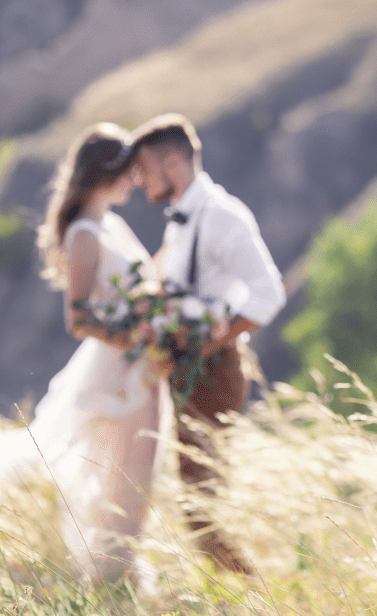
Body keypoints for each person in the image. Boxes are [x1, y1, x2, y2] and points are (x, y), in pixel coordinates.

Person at [0, 123, 169, 588]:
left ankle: (116, 576)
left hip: (142, 361)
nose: (136, 180)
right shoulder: (83, 235)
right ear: (107, 173)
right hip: (116, 367)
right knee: (124, 474)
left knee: (138, 472)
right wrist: (135, 337)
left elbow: (144, 285)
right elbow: (78, 319)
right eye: (129, 172)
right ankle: (110, 579)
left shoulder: (111, 224)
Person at [129, 113, 286, 574]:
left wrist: (217, 339)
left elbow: (268, 291)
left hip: (213, 373)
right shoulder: (180, 221)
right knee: (198, 502)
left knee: (201, 508)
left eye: (145, 169)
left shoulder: (222, 216)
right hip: (185, 372)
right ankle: (239, 596)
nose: (139, 182)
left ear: (173, 163)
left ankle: (256, 597)